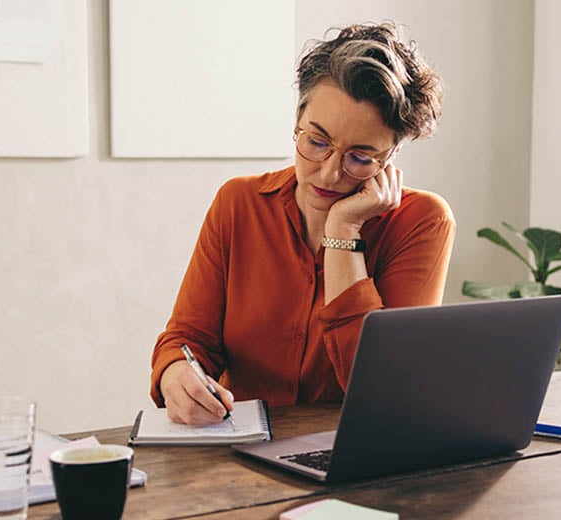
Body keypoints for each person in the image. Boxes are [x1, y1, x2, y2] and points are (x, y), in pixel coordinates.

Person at [150, 21, 456, 425]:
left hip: (354, 455)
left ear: (393, 154)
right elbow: (187, 339)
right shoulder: (238, 203)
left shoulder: (422, 223)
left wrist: (344, 232)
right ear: (298, 118)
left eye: (361, 158)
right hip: (236, 456)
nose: (329, 174)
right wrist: (175, 373)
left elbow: (385, 390)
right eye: (316, 141)